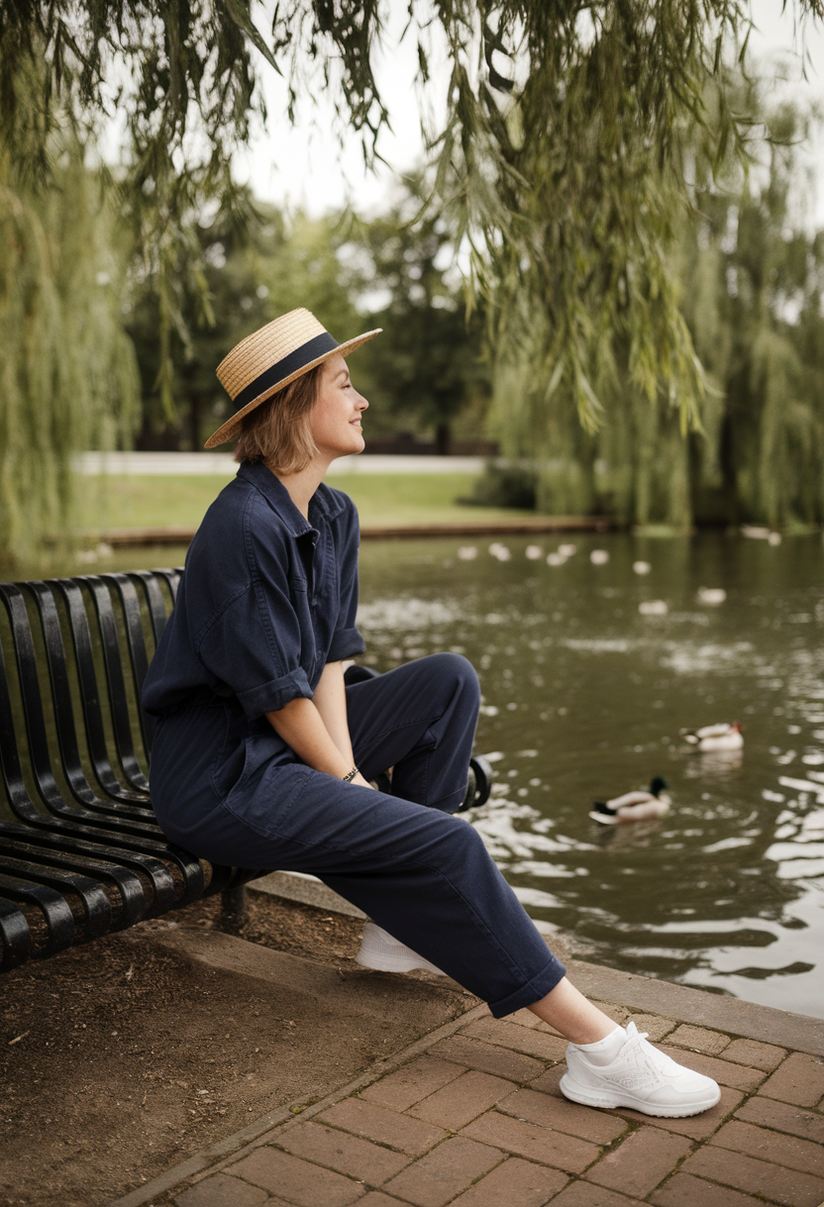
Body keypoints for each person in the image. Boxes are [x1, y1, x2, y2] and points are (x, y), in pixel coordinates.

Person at [141, 308, 721, 1119]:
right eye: (344, 383)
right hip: (219, 775)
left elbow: (330, 669)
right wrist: (349, 786)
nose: (363, 398)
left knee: (449, 680)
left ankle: (397, 926)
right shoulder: (242, 527)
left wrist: (344, 780)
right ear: (294, 406)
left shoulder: (330, 515)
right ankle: (601, 1053)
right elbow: (277, 696)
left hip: (280, 740)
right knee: (445, 840)